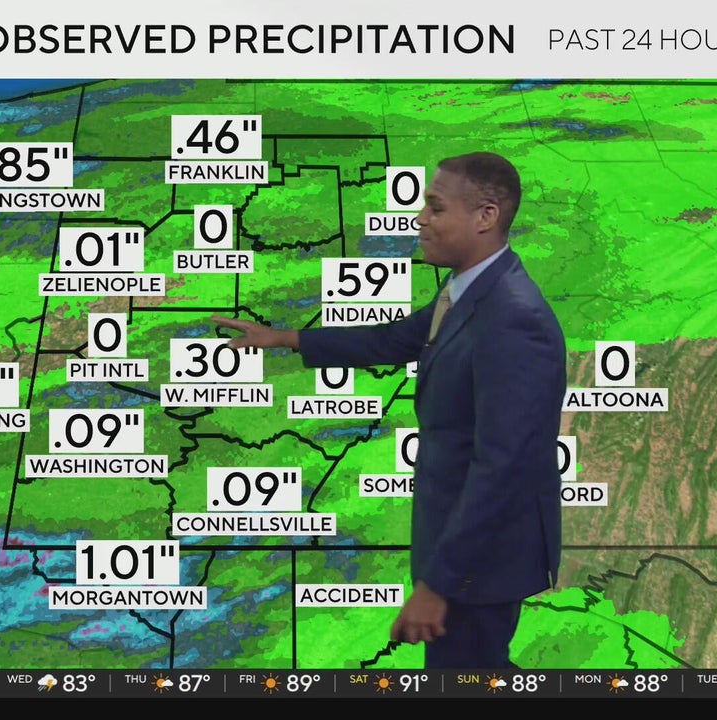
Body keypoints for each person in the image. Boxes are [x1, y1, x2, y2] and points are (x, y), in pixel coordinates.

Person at [211, 151, 567, 669]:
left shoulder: (513, 318)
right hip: (461, 549)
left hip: (480, 564)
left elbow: (503, 467)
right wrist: (286, 339)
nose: (420, 218)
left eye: (436, 207)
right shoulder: (470, 289)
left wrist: (439, 584)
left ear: (485, 217)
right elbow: (395, 339)